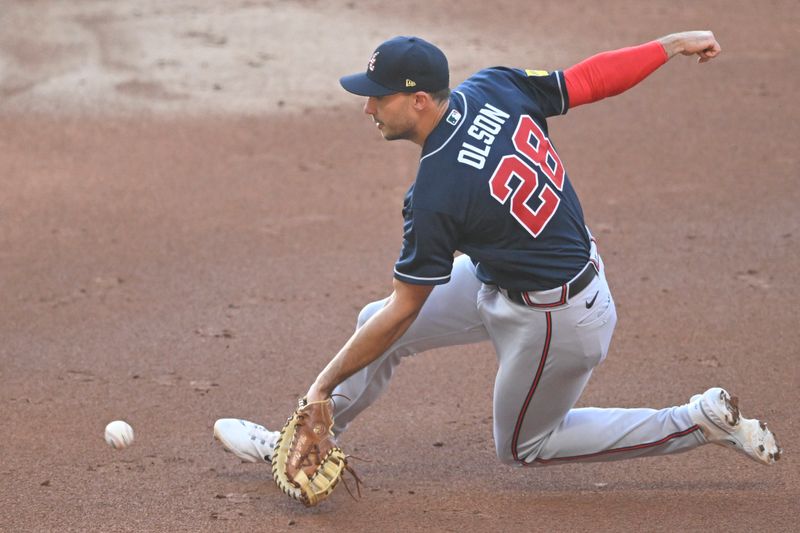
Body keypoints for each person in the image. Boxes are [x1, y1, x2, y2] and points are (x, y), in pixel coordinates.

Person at [214, 31, 782, 474]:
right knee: (373, 324)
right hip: (516, 275)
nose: (367, 110)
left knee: (524, 447)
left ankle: (694, 422)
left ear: (416, 101)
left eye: (376, 99)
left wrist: (319, 384)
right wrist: (668, 45)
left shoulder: (435, 194)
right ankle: (301, 440)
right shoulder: (492, 87)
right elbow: (586, 79)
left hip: (557, 320)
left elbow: (406, 307)